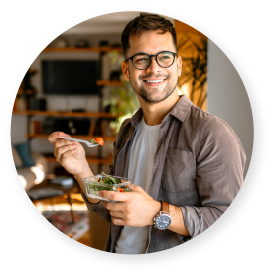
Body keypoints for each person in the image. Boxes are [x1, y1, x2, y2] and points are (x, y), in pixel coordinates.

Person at [48, 12, 246, 254]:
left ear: (179, 64)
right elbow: (111, 204)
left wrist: (156, 213)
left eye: (164, 57)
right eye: (141, 59)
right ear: (126, 69)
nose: (154, 68)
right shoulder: (127, 130)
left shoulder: (212, 134)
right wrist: (81, 170)